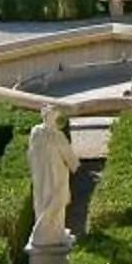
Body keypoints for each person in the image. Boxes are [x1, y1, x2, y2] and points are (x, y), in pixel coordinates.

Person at [26, 105, 78, 251]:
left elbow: (31, 155)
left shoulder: (41, 133)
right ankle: (45, 233)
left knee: (51, 200)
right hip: (48, 175)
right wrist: (74, 165)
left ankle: (56, 232)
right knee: (53, 199)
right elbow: (69, 156)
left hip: (51, 174)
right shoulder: (49, 134)